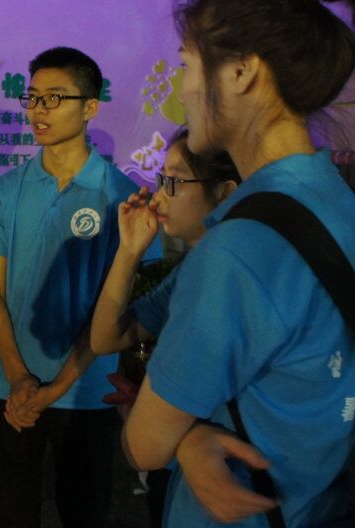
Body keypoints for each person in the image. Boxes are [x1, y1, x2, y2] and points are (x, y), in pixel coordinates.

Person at [120, 0, 355, 527]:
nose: (184, 89)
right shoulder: (334, 196)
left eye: (187, 66)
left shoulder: (239, 248)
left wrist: (186, 438)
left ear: (241, 72)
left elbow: (145, 444)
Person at [0, 46, 161, 527]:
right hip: (10, 392)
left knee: (84, 513)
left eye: (54, 98)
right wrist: (19, 378)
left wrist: (56, 388)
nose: (39, 110)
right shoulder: (4, 190)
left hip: (86, 392)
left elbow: (112, 306)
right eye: (32, 97)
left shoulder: (121, 196)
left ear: (90, 107)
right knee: (12, 514)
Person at [90, 128, 239, 528]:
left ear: (225, 193)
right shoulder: (192, 270)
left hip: (223, 486)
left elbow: (141, 448)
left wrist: (146, 413)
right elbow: (105, 337)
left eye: (173, 182)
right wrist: (129, 250)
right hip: (183, 478)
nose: (158, 197)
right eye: (160, 181)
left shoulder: (226, 278)